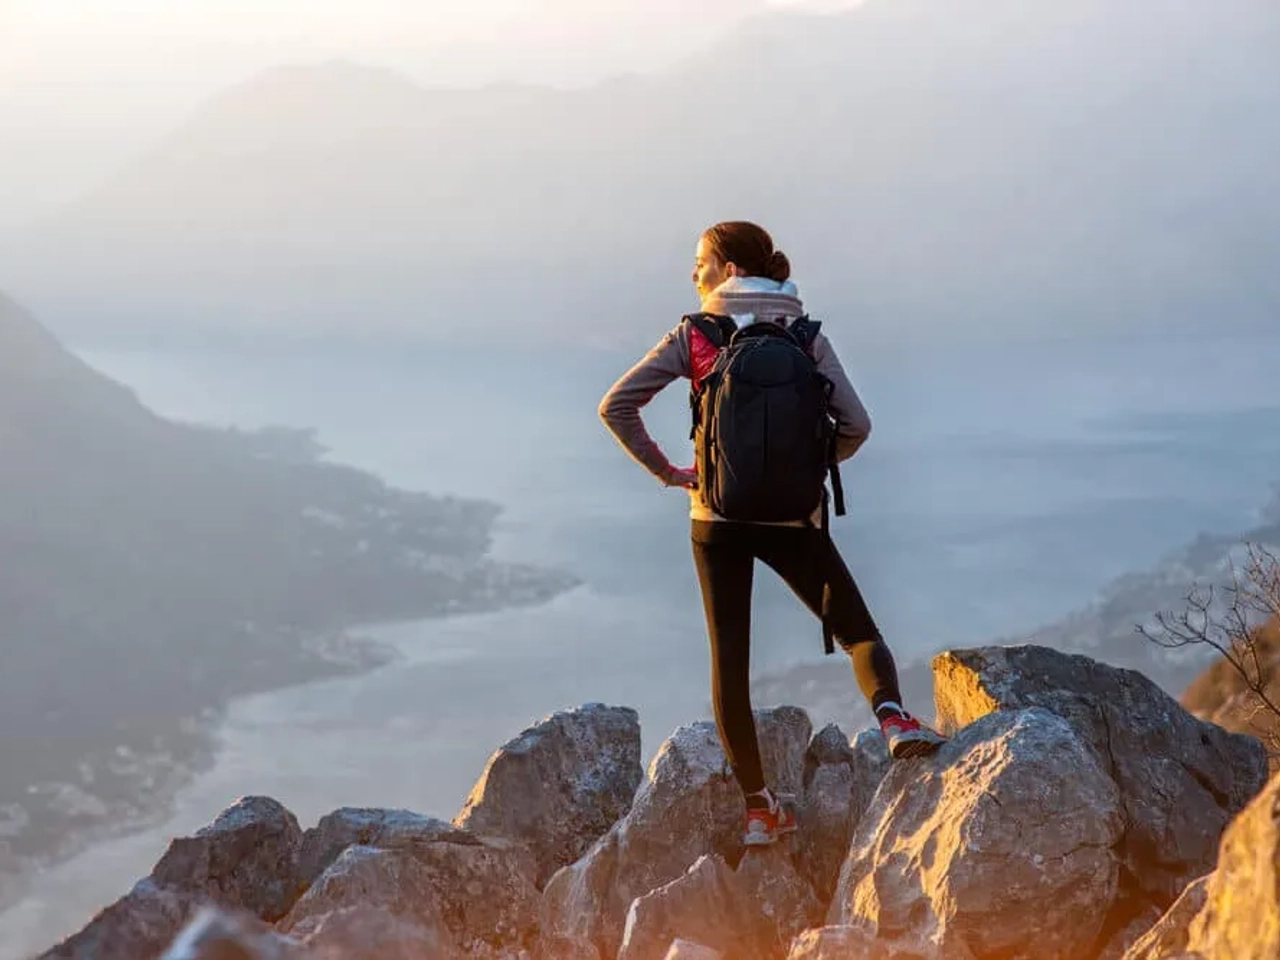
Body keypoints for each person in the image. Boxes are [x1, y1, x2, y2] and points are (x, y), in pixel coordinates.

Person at [598, 220, 946, 846]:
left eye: (700, 261)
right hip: (794, 516)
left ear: (730, 270)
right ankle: (894, 719)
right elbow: (857, 424)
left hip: (716, 518)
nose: (693, 273)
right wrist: (806, 463)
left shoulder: (696, 334)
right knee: (856, 630)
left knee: (729, 662)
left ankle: (760, 810)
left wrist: (676, 473)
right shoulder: (804, 334)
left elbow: (616, 407)